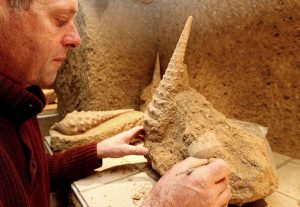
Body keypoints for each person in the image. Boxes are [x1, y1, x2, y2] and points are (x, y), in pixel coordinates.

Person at [0, 0, 232, 206]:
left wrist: (98, 151)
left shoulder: (22, 96)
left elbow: (31, 181)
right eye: (60, 20)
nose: (76, 39)